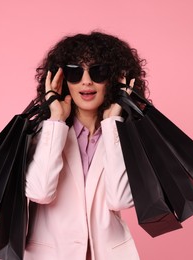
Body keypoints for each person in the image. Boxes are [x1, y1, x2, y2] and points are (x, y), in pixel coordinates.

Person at [24, 31, 148, 260]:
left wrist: (112, 124)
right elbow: (40, 192)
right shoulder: (42, 134)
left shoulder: (125, 137)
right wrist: (56, 121)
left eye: (98, 71)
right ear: (61, 80)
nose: (86, 80)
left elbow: (120, 199)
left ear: (113, 79)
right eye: (75, 72)